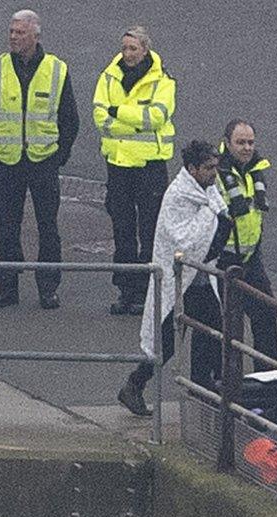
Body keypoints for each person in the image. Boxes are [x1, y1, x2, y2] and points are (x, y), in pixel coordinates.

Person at [119, 141, 230, 416]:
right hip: (181, 279)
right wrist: (212, 219)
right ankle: (140, 384)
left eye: (215, 167)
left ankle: (201, 389)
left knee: (208, 333)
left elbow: (219, 220)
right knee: (176, 337)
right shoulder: (179, 196)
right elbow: (184, 240)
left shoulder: (207, 190)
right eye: (208, 168)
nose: (214, 173)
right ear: (192, 169)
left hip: (200, 276)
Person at [0, 9, 79, 310]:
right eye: (11, 31)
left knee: (48, 227)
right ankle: (7, 287)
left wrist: (59, 156)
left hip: (42, 161)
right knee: (8, 226)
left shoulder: (56, 69)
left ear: (35, 36)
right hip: (7, 162)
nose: (13, 36)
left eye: (20, 32)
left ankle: (48, 288)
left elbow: (70, 118)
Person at [93, 26, 176, 315]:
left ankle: (148, 292)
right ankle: (127, 291)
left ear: (145, 50)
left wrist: (118, 111)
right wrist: (130, 118)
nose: (127, 54)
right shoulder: (109, 75)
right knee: (123, 230)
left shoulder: (163, 81)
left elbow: (156, 117)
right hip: (118, 166)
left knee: (151, 230)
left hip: (150, 166)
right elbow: (99, 116)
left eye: (133, 49)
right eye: (125, 48)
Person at [214, 119, 277, 370]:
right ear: (227, 143)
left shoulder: (254, 170)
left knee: (266, 314)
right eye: (240, 142)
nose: (247, 148)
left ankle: (268, 379)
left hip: (251, 259)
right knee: (228, 326)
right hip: (223, 261)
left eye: (250, 142)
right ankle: (226, 382)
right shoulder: (218, 173)